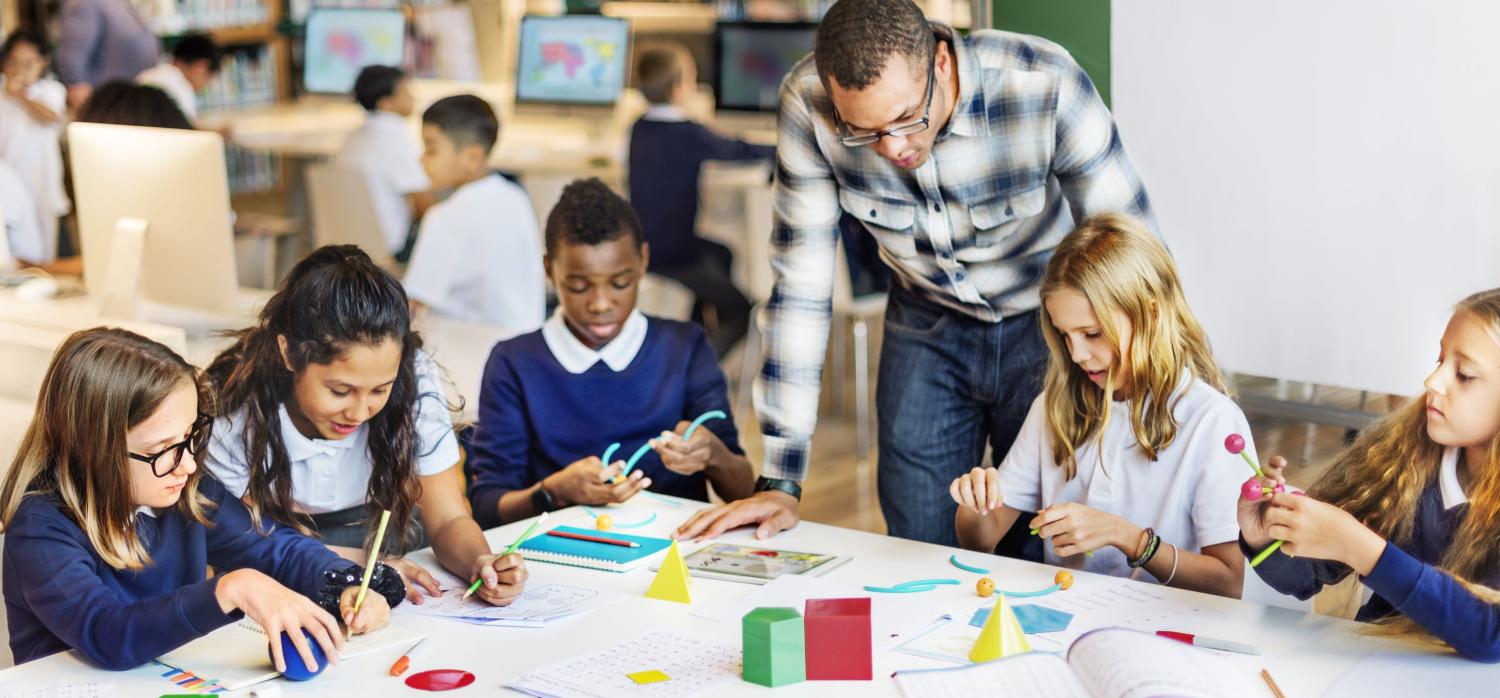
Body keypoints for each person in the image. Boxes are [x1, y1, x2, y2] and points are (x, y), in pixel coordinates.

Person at [678, 0, 1156, 546]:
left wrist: (1159, 400)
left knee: (1044, 538)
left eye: (908, 118)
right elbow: (801, 289)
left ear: (943, 64)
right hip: (924, 319)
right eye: (864, 132)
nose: (894, 148)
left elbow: (1132, 255)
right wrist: (782, 475)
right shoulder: (808, 105)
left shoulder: (1043, 83)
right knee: (917, 538)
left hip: (1047, 329)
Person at [0, 328, 402, 670]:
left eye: (190, 436)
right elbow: (106, 632)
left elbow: (272, 546)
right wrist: (231, 588)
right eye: (163, 448)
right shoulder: (41, 530)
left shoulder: (183, 492)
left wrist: (348, 586)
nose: (188, 464)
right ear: (93, 450)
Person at [204, 246, 528, 607]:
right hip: (280, 552)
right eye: (340, 391)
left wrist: (479, 562)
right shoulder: (234, 409)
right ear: (288, 353)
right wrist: (367, 568)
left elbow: (449, 517)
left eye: (380, 390)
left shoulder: (414, 377)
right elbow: (248, 542)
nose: (359, 412)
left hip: (388, 536)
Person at [950, 214, 1245, 597]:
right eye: (1064, 335)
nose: (1077, 355)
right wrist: (976, 505)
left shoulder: (1211, 421)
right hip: (1067, 619)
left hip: (1166, 630)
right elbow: (981, 542)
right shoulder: (1053, 408)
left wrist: (1126, 536)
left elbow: (1227, 584)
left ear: (1151, 314)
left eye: (1092, 334)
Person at [467, 179, 754, 528]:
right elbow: (487, 505)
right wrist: (553, 492)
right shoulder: (515, 362)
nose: (601, 304)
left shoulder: (685, 347)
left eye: (620, 283)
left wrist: (713, 455)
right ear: (548, 270)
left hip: (675, 556)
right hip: (562, 557)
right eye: (578, 286)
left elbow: (743, 491)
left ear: (643, 261)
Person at [1242, 288, 1500, 662]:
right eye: (1439, 359)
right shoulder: (1399, 450)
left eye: (1463, 374)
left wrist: (1363, 550)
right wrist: (1264, 536)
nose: (1433, 380)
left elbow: (1491, 635)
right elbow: (1306, 575)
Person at [627, 44, 772, 357]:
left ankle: (694, 335)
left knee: (722, 254)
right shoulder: (688, 133)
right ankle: (695, 370)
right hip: (676, 255)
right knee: (742, 311)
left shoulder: (639, 128)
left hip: (647, 244)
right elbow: (737, 151)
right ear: (680, 90)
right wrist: (782, 148)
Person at [403, 95, 545, 330]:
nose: (421, 159)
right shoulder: (515, 197)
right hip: (523, 341)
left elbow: (411, 304)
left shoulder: (446, 217)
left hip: (467, 349)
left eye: (431, 149)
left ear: (472, 157)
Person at [335, 65, 433, 260]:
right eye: (406, 92)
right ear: (385, 104)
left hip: (344, 244)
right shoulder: (397, 140)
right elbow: (425, 206)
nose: (413, 97)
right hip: (386, 249)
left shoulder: (350, 139)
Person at [0, 30, 69, 262]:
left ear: (43, 63)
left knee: (44, 253)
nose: (19, 69)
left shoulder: (51, 90)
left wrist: (21, 95)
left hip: (42, 183)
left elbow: (51, 117)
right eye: (13, 62)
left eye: (28, 63)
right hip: (8, 184)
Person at [55, 0, 160, 109]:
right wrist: (89, 112)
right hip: (107, 107)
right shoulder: (87, 3)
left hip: (131, 104)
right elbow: (71, 62)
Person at [136, 33, 221, 121]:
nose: (204, 88)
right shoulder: (178, 86)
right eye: (208, 80)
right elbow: (186, 130)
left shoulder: (150, 74)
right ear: (201, 67)